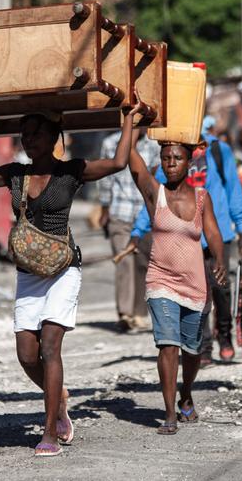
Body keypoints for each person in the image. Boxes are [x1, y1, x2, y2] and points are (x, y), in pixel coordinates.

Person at [0, 102, 141, 456]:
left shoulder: (72, 172)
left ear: (54, 137)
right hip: (29, 273)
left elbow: (117, 163)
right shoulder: (14, 174)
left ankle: (50, 431)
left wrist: (127, 120)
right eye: (25, 134)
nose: (30, 140)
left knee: (50, 347)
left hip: (64, 269)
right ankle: (58, 399)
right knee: (27, 355)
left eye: (36, 133)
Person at [128, 133, 226, 434]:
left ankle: (186, 393)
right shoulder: (154, 193)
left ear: (189, 160)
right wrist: (132, 121)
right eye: (166, 158)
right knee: (168, 345)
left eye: (177, 158)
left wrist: (220, 261)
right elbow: (132, 162)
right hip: (161, 279)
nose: (170, 164)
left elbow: (214, 234)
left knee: (192, 350)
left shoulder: (201, 198)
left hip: (195, 283)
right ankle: (170, 413)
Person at [131, 115, 242, 363]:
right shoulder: (172, 155)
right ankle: (203, 347)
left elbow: (234, 188)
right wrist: (138, 230)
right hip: (187, 240)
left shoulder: (219, 150)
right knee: (199, 292)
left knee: (220, 288)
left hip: (218, 233)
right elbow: (156, 199)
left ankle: (224, 334)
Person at [98, 129, 159, 332]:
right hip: (120, 211)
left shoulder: (154, 145)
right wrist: (105, 208)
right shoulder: (111, 142)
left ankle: (139, 313)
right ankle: (125, 313)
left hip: (145, 213)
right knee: (124, 262)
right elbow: (105, 180)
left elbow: (154, 180)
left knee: (143, 264)